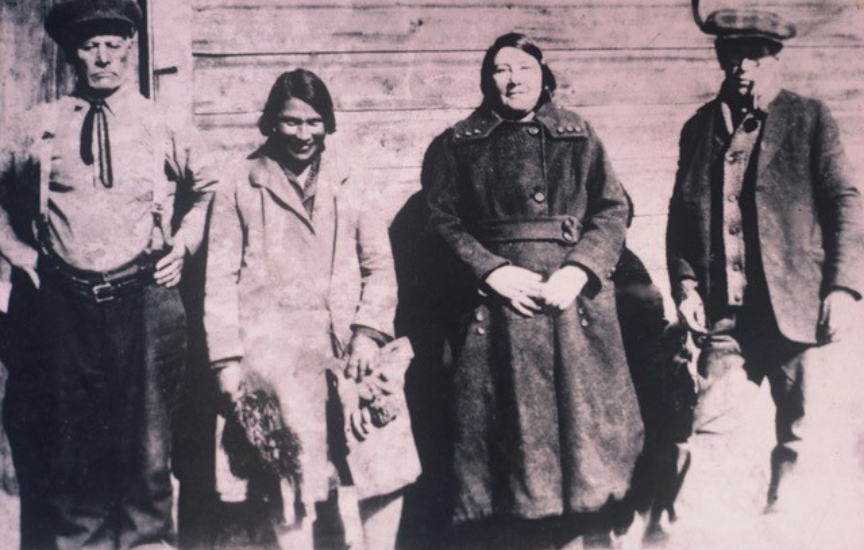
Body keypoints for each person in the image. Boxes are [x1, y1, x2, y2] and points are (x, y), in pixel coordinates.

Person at [0, 0, 218, 548]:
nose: (101, 57)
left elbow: (210, 187)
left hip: (144, 300)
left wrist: (185, 244)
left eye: (112, 44)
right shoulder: (40, 125)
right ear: (73, 53)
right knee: (74, 456)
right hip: (64, 306)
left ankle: (146, 543)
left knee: (148, 452)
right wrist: (16, 251)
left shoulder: (161, 121)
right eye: (88, 44)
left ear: (129, 48)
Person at [424, 33, 644, 549]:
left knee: (590, 449)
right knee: (511, 460)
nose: (513, 79)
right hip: (496, 317)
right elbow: (440, 223)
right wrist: (491, 271)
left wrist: (579, 270)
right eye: (500, 69)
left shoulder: (579, 135)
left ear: (544, 76)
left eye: (524, 67)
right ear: (487, 80)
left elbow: (612, 211)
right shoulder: (458, 144)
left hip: (574, 311)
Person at [666, 3, 863, 527]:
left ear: (775, 59)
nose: (742, 68)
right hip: (727, 318)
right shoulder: (699, 128)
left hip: (798, 309)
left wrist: (843, 289)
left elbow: (845, 201)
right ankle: (692, 535)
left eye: (754, 56)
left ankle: (790, 527)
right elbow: (681, 218)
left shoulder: (809, 118)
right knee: (709, 438)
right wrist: (686, 285)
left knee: (805, 435)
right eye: (732, 56)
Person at [204, 69, 401, 550]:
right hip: (274, 362)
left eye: (314, 122)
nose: (303, 134)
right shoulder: (239, 185)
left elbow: (380, 268)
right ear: (271, 124)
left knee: (379, 469)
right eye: (290, 122)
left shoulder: (352, 179)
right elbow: (219, 279)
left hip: (348, 355)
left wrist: (367, 333)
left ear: (327, 124)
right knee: (289, 480)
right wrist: (228, 362)